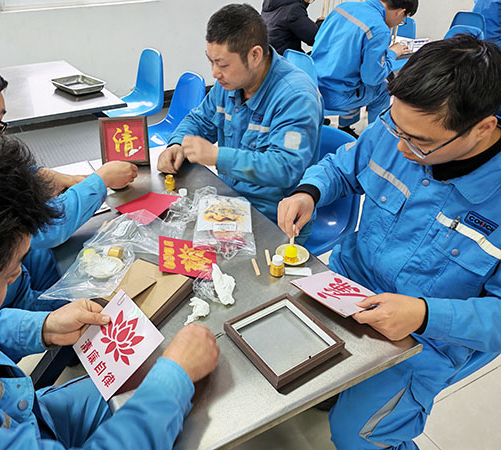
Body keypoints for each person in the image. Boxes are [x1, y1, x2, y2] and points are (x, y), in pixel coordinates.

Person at [0, 114, 220, 449]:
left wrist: (43, 326)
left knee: (143, 385)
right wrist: (172, 379)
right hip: (25, 427)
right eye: (10, 274)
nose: (18, 275)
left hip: (29, 413)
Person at [277, 35, 501, 449]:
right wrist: (310, 191)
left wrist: (424, 315)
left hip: (423, 336)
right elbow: (345, 166)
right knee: (286, 350)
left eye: (420, 142)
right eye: (397, 127)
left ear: (483, 128)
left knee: (358, 436)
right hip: (347, 285)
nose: (400, 146)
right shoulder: (399, 130)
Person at [0, 55, 138, 311]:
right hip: (1, 303)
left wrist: (41, 175)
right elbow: (48, 226)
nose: (0, 133)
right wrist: (100, 180)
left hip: (18, 280)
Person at [157, 3, 323, 242]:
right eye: (211, 61)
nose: (215, 73)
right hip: (230, 202)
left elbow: (285, 168)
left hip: (274, 218)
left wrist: (216, 156)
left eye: (222, 64)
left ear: (255, 55)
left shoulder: (296, 97)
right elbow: (199, 119)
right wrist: (177, 144)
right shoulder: (229, 85)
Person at [311, 0, 418, 137]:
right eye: (403, 19)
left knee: (355, 79)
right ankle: (376, 137)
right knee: (384, 89)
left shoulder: (344, 7)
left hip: (313, 84)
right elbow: (372, 78)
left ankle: (345, 127)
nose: (399, 22)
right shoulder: (379, 29)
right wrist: (392, 53)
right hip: (335, 95)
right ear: (400, 12)